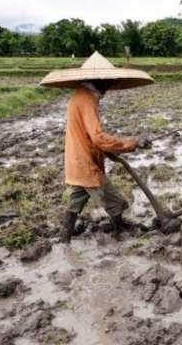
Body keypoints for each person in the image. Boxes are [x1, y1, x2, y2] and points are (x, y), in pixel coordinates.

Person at [60, 80, 151, 242]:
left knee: (75, 202)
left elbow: (87, 136)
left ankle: (64, 240)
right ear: (99, 80)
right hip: (86, 164)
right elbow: (98, 137)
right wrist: (133, 142)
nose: (108, 88)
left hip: (77, 160)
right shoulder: (86, 100)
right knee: (115, 202)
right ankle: (119, 234)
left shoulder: (79, 96)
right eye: (108, 83)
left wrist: (110, 153)